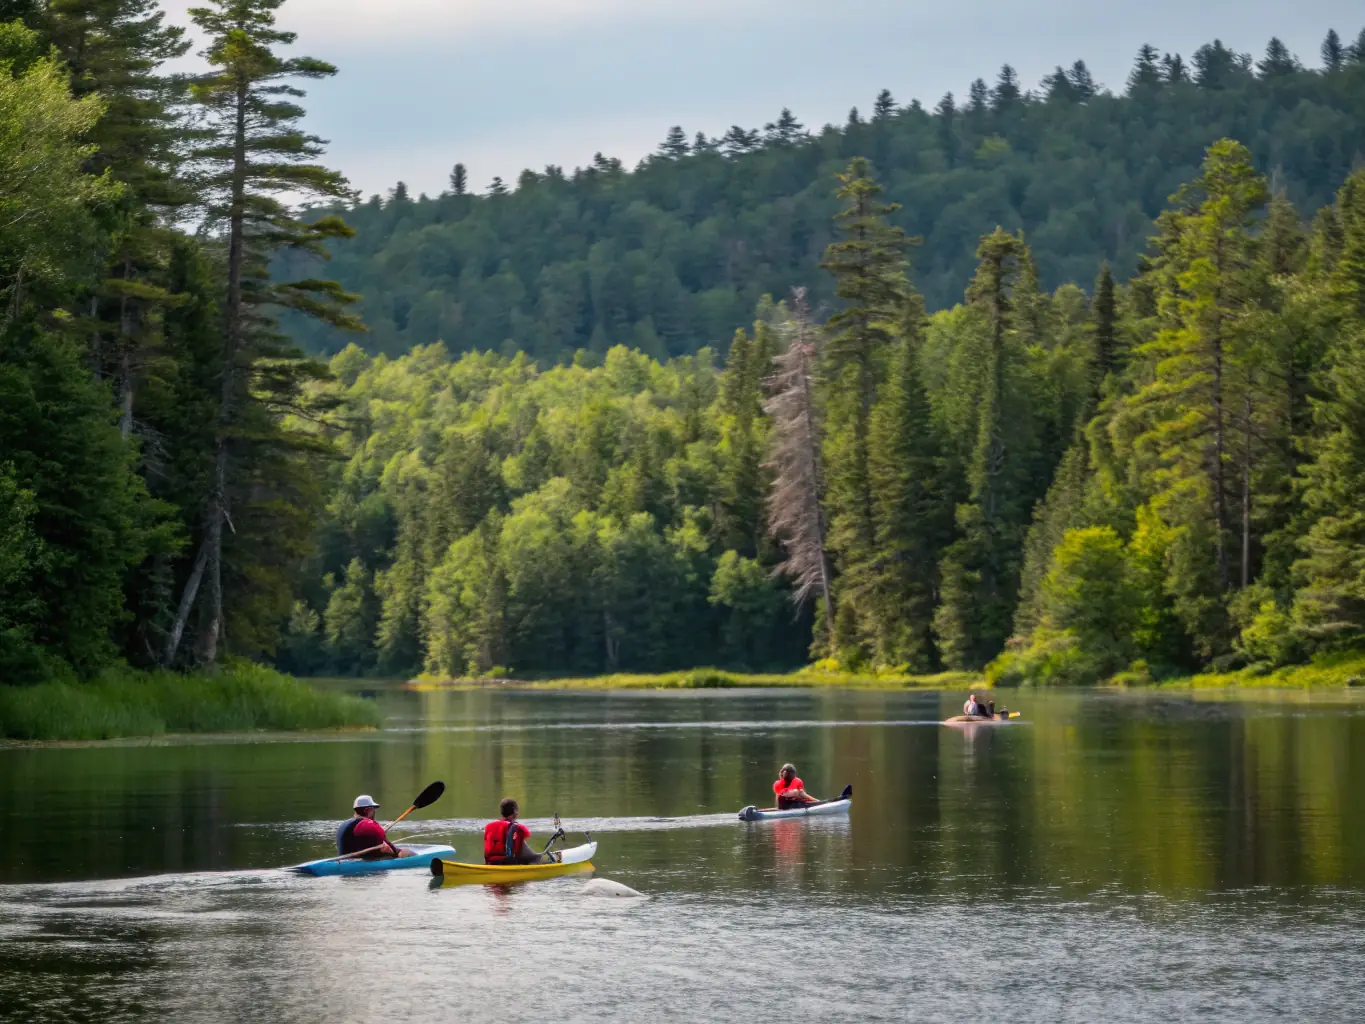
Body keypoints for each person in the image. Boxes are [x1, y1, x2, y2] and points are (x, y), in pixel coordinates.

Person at [483, 798, 562, 865]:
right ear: (515, 811)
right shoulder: (515, 828)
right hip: (508, 866)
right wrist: (552, 858)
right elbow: (531, 857)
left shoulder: (490, 826)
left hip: (491, 863)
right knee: (546, 859)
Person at [336, 794, 411, 859]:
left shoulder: (344, 824)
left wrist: (380, 833)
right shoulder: (369, 825)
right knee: (404, 852)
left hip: (345, 861)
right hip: (365, 867)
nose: (375, 812)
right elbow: (389, 849)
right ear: (367, 810)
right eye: (373, 809)